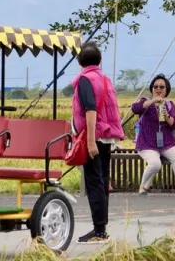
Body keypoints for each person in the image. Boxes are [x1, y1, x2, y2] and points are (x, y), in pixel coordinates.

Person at [70, 42, 124, 243]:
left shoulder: (85, 80)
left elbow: (90, 110)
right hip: (107, 136)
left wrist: (90, 141)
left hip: (95, 136)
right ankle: (101, 228)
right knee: (101, 182)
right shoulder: (105, 79)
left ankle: (99, 230)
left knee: (94, 183)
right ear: (100, 60)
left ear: (80, 62)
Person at [131, 74, 175, 194]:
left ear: (166, 90)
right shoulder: (145, 102)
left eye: (162, 87)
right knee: (155, 164)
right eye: (155, 87)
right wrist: (153, 101)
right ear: (152, 89)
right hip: (147, 143)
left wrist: (166, 114)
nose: (158, 89)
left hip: (166, 142)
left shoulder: (169, 104)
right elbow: (135, 108)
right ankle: (143, 186)